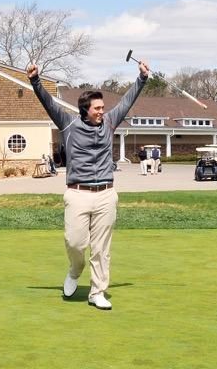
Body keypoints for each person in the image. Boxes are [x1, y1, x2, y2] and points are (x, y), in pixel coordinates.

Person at [27, 60, 149, 310]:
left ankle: (97, 292)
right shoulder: (68, 124)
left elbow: (127, 102)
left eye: (103, 107)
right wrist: (35, 81)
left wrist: (142, 79)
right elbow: (48, 103)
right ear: (85, 109)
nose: (102, 111)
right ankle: (75, 270)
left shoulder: (110, 123)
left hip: (106, 193)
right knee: (75, 242)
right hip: (77, 193)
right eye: (97, 108)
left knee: (101, 248)